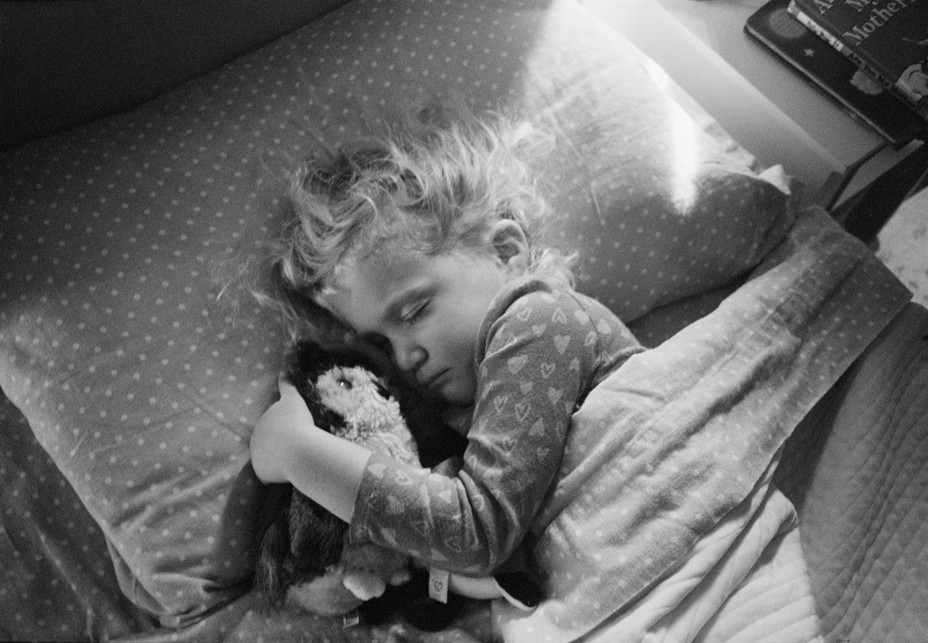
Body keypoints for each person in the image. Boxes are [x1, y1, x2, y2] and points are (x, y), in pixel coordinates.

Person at [248, 108, 644, 603]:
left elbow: (477, 534)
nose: (404, 356)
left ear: (505, 252)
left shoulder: (540, 320)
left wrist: (297, 451)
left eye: (414, 311)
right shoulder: (462, 409)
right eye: (380, 344)